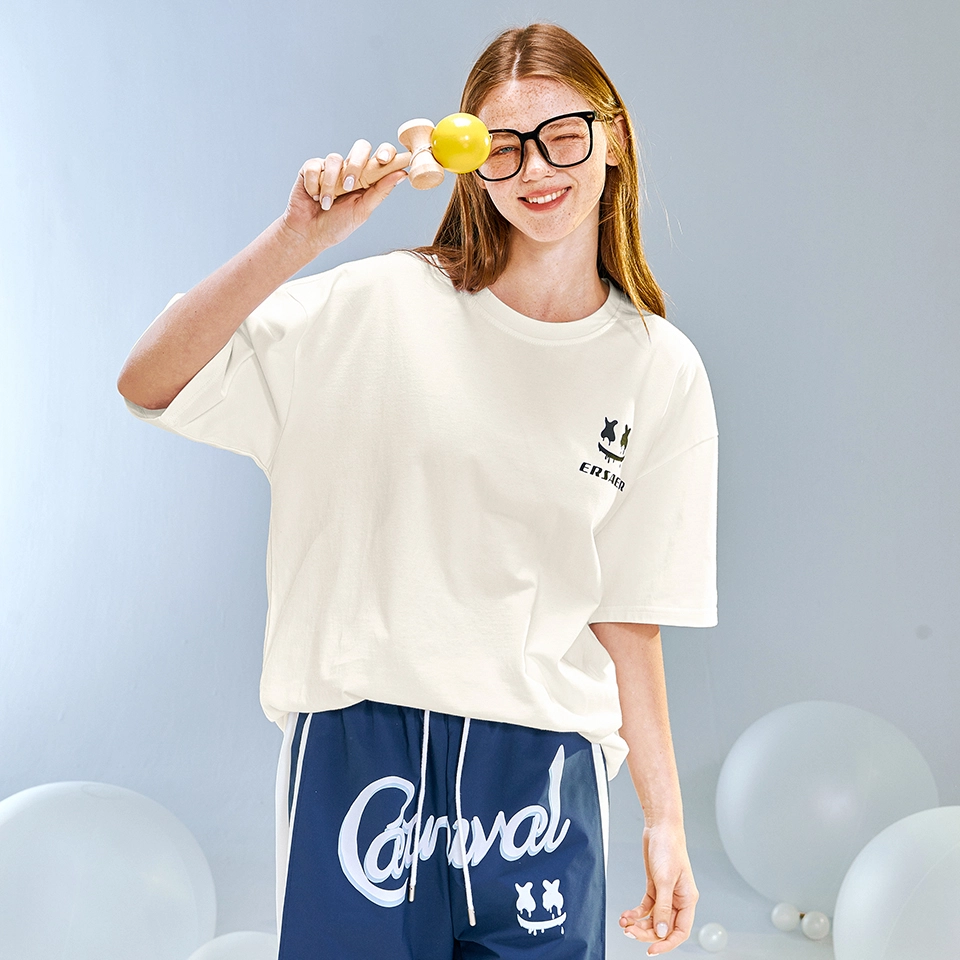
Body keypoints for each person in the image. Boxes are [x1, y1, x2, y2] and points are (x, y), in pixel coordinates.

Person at [117, 22, 717, 960]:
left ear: (614, 138)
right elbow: (147, 381)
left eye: (562, 136)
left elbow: (629, 614)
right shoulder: (377, 305)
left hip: (543, 771)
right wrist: (295, 240)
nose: (536, 169)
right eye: (503, 146)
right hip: (364, 748)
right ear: (470, 161)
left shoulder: (659, 367)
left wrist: (665, 820)